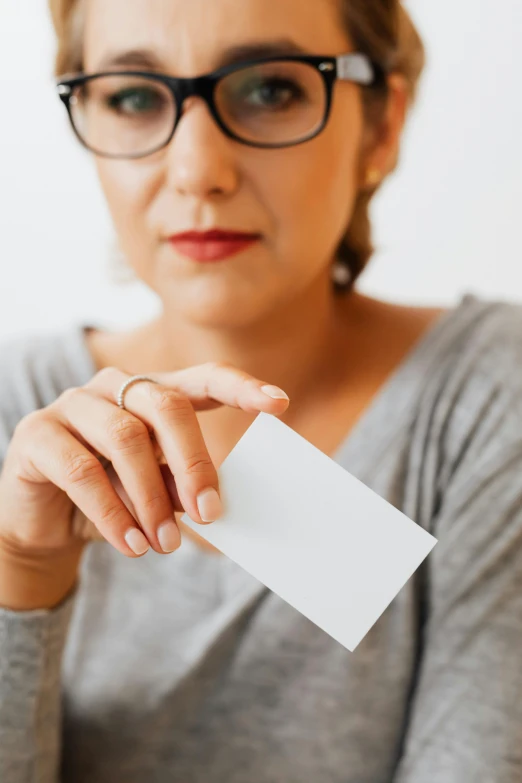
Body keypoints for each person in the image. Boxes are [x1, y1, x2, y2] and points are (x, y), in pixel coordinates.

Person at [0, 0, 522, 780]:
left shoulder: (488, 394)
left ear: (381, 126)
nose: (197, 171)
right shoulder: (17, 412)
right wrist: (21, 572)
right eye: (135, 96)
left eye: (271, 89)